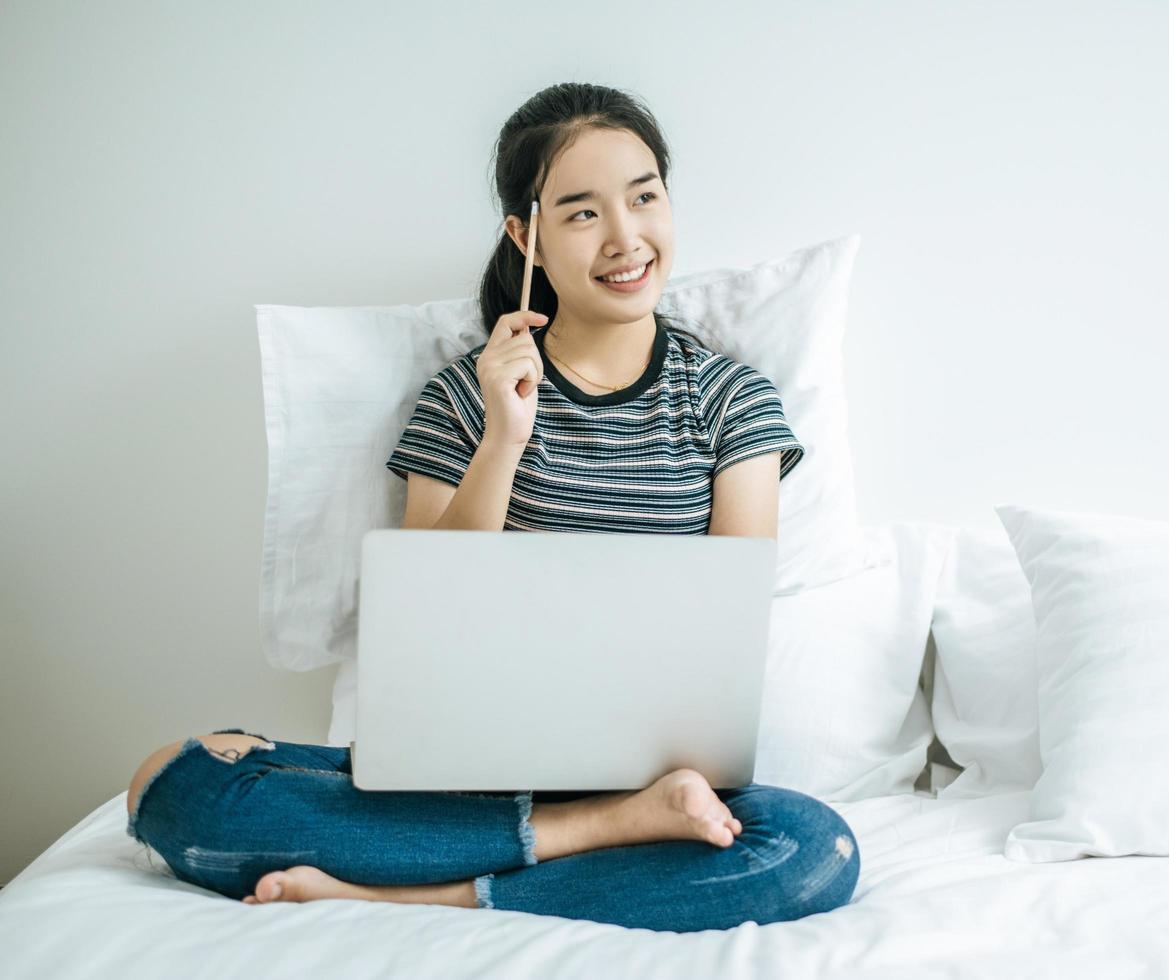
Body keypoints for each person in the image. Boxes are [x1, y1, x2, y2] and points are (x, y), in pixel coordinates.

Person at [124, 81, 860, 932]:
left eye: (644, 196)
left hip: (665, 782)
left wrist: (660, 789)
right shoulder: (464, 399)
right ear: (526, 234)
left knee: (811, 848)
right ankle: (595, 834)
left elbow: (729, 632)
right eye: (583, 213)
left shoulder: (732, 401)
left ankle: (415, 889)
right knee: (175, 783)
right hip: (464, 779)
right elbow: (429, 613)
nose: (626, 237)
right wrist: (504, 434)